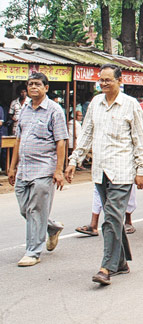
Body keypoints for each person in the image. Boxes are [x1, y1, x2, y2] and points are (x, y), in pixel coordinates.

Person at [65, 64, 143, 285]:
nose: (103, 84)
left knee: (111, 217)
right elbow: (86, 134)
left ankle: (106, 267)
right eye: (101, 80)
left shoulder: (131, 105)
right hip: (100, 171)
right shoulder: (95, 103)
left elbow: (140, 140)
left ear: (119, 81)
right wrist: (74, 160)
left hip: (122, 171)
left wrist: (142, 169)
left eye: (108, 80)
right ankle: (121, 263)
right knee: (115, 219)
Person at [7, 73, 68, 267]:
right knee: (26, 208)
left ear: (46, 88)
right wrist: (11, 167)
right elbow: (18, 139)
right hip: (24, 168)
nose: (34, 87)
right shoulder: (24, 108)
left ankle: (33, 252)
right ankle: (51, 227)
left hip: (44, 168)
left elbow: (61, 142)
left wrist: (59, 170)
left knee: (35, 209)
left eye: (38, 84)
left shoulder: (54, 110)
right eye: (31, 84)